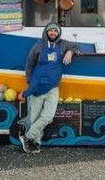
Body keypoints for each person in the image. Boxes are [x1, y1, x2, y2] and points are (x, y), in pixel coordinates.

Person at [19, 22, 79, 153]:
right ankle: (35, 144)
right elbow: (29, 64)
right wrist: (30, 82)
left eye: (55, 31)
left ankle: (27, 137)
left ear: (58, 33)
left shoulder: (63, 44)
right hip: (37, 86)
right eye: (51, 31)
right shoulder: (38, 45)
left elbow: (76, 46)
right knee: (34, 116)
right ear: (46, 32)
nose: (53, 33)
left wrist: (70, 51)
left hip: (53, 88)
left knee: (48, 117)